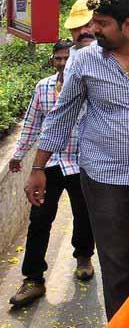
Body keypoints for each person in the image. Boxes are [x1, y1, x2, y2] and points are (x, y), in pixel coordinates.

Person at [25, 0, 129, 319]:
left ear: (128, 24)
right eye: (93, 22)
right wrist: (38, 166)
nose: (93, 30)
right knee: (119, 267)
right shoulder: (84, 60)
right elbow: (61, 116)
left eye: (102, 23)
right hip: (106, 179)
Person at [8, 40, 95, 308]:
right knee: (40, 219)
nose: (62, 63)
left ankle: (83, 256)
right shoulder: (43, 87)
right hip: (49, 165)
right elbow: (32, 124)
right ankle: (33, 279)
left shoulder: (89, 85)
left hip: (81, 163)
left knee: (84, 214)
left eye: (67, 58)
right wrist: (18, 155)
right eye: (57, 59)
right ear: (52, 61)